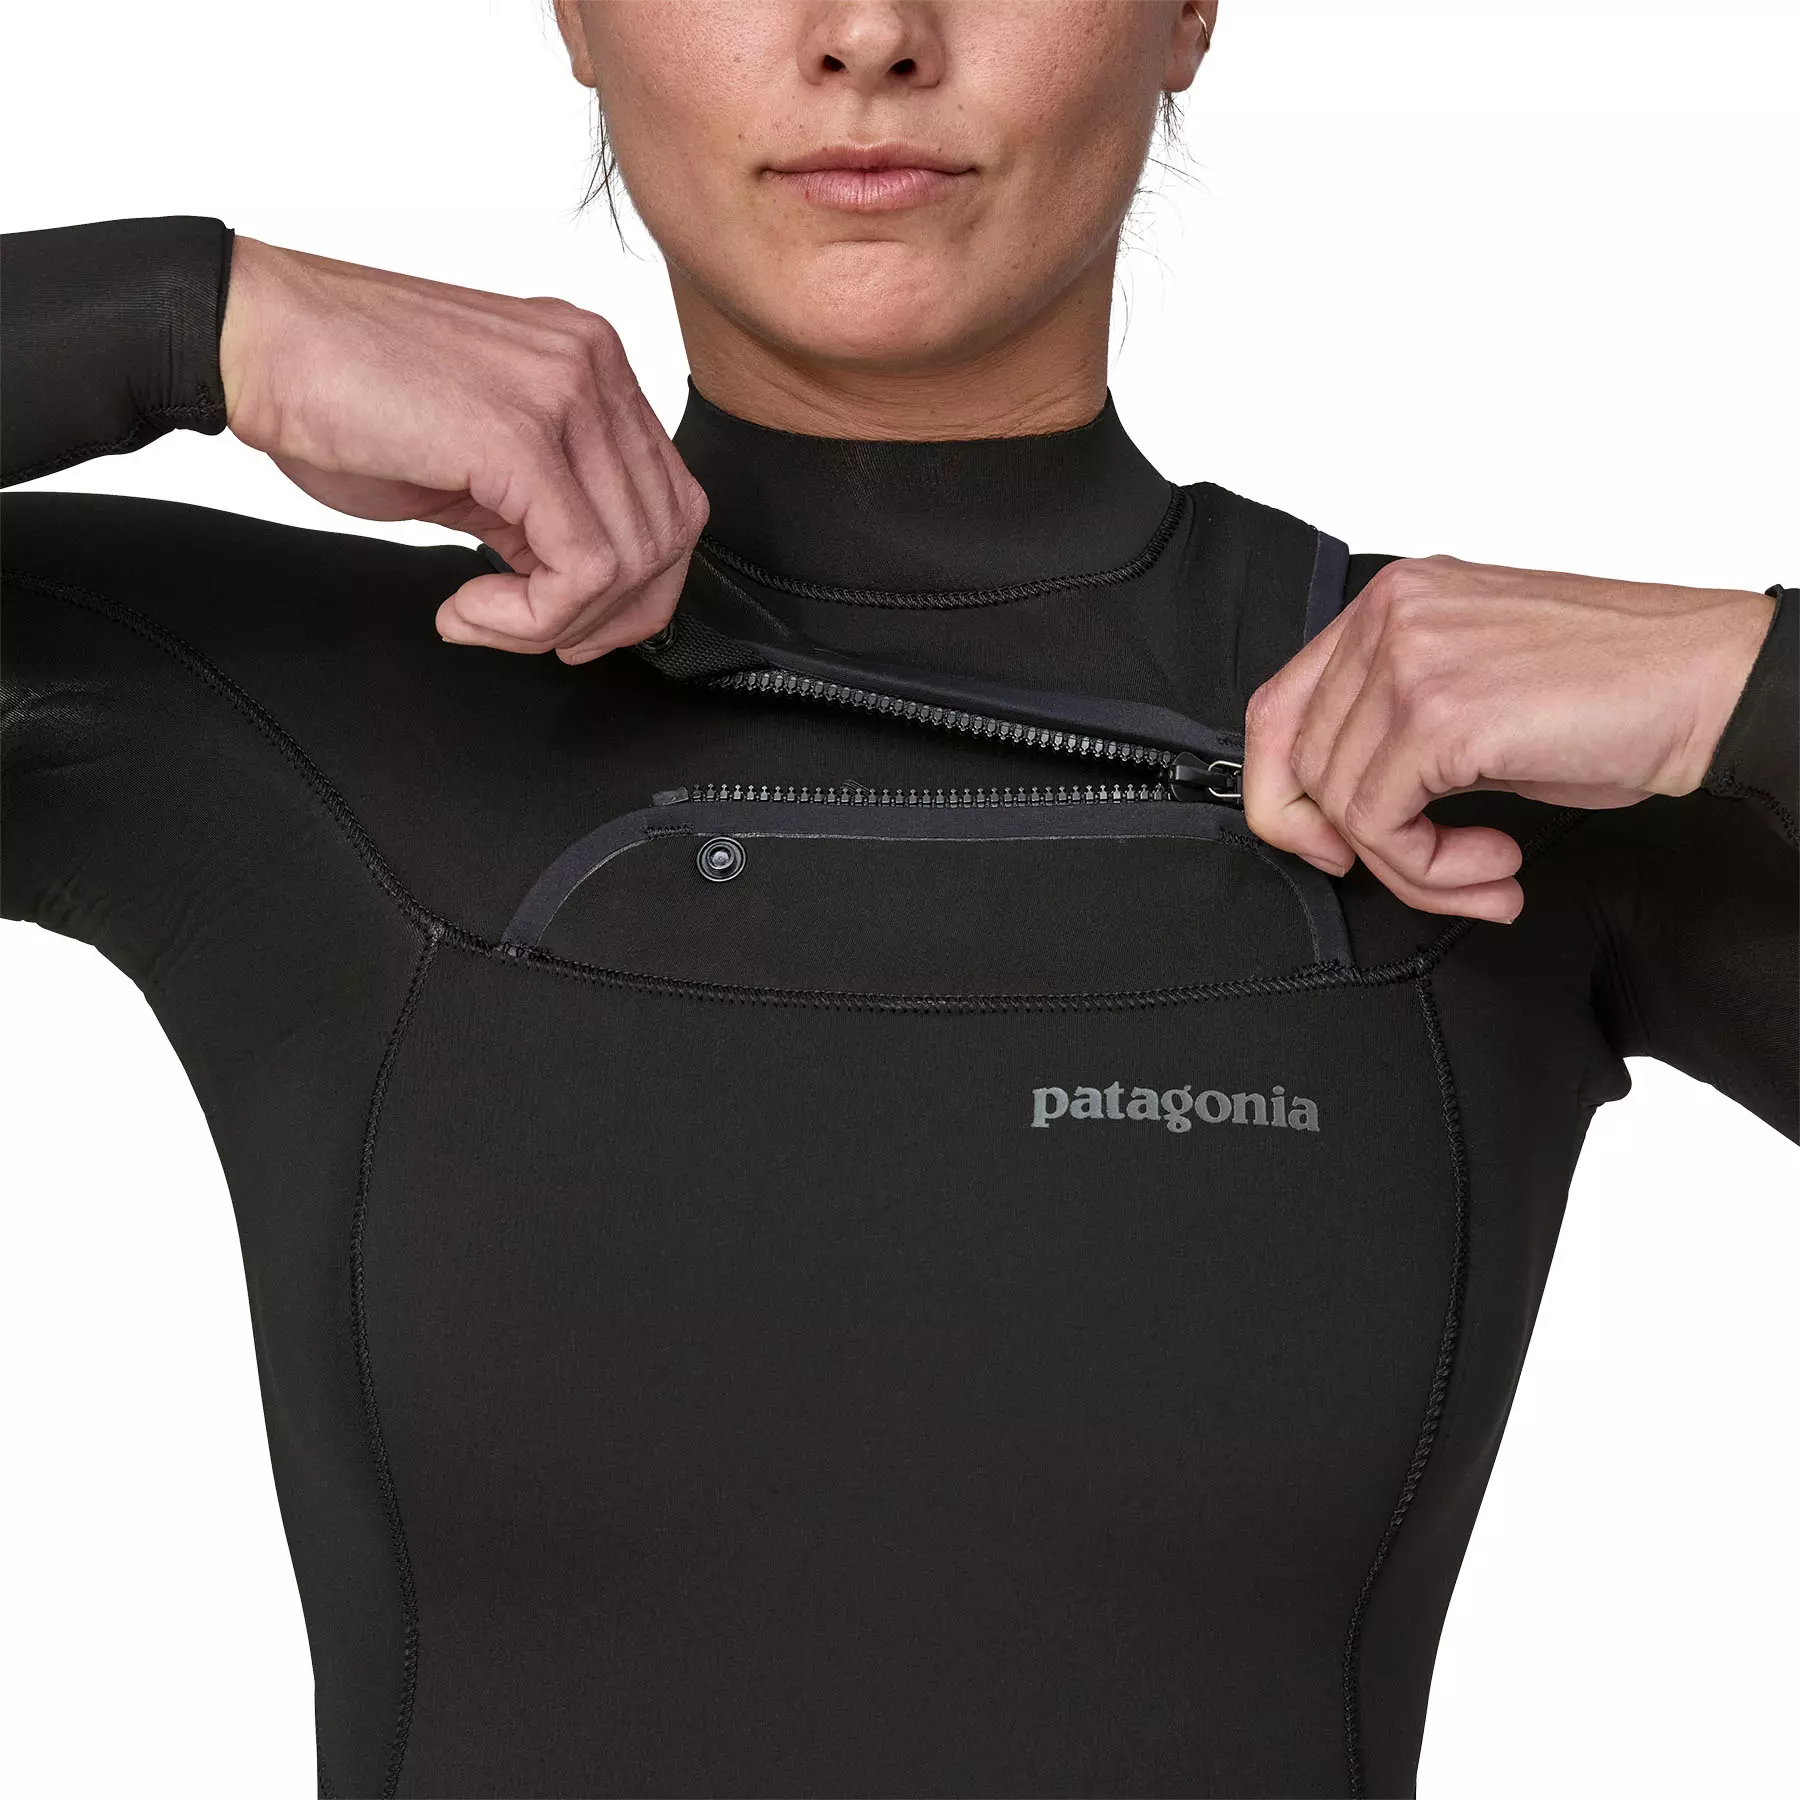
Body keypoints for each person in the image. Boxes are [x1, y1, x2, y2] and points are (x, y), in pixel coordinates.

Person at [1, 3, 1792, 1797]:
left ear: (1186, 13)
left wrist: (1755, 681)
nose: (871, 31)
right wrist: (187, 317)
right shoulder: (266, 713)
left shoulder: (1478, 755)